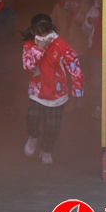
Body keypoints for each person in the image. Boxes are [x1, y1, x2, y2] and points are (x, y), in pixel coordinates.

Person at [21, 13, 85, 164]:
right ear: (33, 32)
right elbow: (28, 66)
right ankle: (33, 136)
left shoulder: (61, 45)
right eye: (40, 33)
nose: (44, 37)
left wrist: (78, 90)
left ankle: (46, 150)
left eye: (47, 32)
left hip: (57, 94)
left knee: (52, 127)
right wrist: (39, 49)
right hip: (37, 92)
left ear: (52, 29)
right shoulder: (29, 45)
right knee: (32, 118)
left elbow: (74, 67)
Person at [49, 0, 91, 111]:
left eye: (74, 0)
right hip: (63, 51)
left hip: (80, 50)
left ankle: (81, 100)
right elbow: (51, 24)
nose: (71, 2)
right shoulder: (58, 7)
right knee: (65, 78)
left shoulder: (85, 7)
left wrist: (76, 13)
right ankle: (69, 101)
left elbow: (87, 26)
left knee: (79, 77)